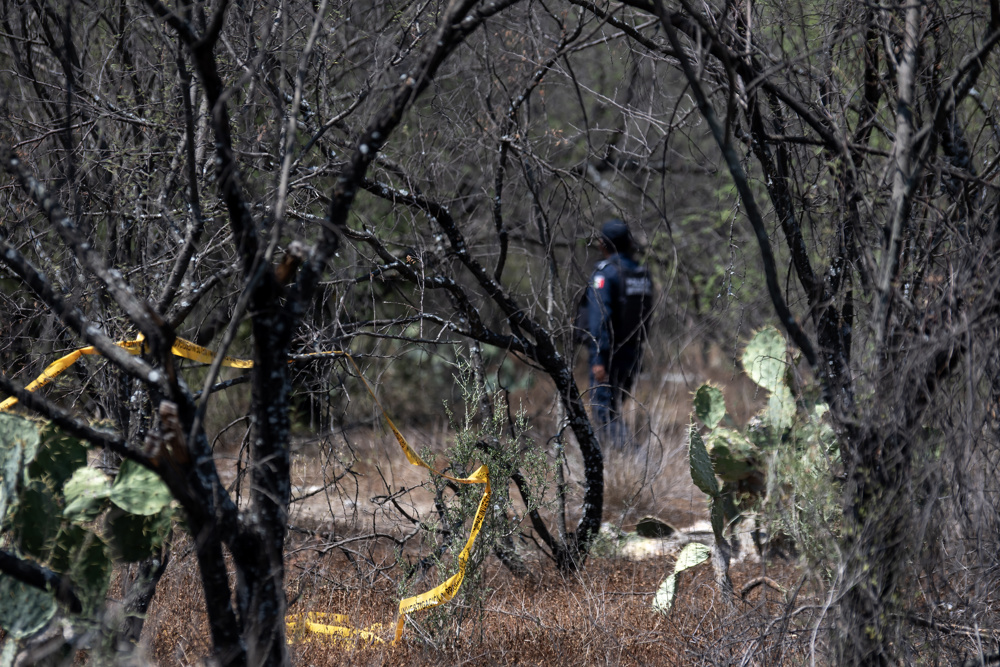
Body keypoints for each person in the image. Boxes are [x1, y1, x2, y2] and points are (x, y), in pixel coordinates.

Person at [583, 219, 653, 447]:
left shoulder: (606, 274)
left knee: (604, 412)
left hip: (608, 356)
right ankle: (613, 457)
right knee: (612, 409)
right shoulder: (641, 273)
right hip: (632, 353)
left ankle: (633, 457)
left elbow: (600, 318)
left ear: (604, 244)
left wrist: (599, 358)